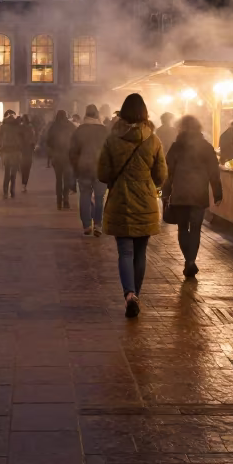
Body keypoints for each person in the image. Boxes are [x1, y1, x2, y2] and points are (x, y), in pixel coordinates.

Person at [98, 93, 167, 318]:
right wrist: (147, 183)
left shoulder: (111, 139)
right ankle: (136, 294)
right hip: (145, 201)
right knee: (141, 253)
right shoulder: (153, 140)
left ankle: (129, 295)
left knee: (124, 252)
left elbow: (102, 173)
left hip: (120, 200)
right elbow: (161, 175)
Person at [164, 115, 223, 278]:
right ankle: (191, 261)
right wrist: (217, 192)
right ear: (199, 128)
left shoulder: (176, 147)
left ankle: (188, 260)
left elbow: (168, 172)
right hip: (198, 193)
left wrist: (165, 192)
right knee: (196, 229)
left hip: (180, 194)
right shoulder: (205, 146)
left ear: (180, 128)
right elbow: (214, 171)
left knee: (183, 228)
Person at [69, 104, 110, 236]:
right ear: (97, 115)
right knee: (99, 197)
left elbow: (73, 152)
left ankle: (87, 225)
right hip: (100, 168)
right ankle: (98, 224)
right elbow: (110, 151)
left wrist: (76, 167)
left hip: (84, 168)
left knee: (85, 196)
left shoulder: (79, 130)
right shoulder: (104, 130)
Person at [45, 109, 76, 209]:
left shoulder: (53, 127)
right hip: (68, 156)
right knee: (66, 179)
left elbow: (48, 141)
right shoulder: (71, 126)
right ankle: (66, 199)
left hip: (56, 156)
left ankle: (59, 201)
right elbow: (76, 140)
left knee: (58, 179)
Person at [0, 111, 22, 198]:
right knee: (14, 173)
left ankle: (5, 192)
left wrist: (0, 148)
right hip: (15, 151)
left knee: (7, 172)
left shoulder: (3, 127)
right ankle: (12, 191)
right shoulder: (18, 127)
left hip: (6, 151)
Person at [18, 115, 36, 192]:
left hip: (22, 150)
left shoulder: (20, 128)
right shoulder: (30, 128)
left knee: (22, 168)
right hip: (28, 150)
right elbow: (33, 139)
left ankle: (23, 183)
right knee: (27, 168)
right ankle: (24, 184)